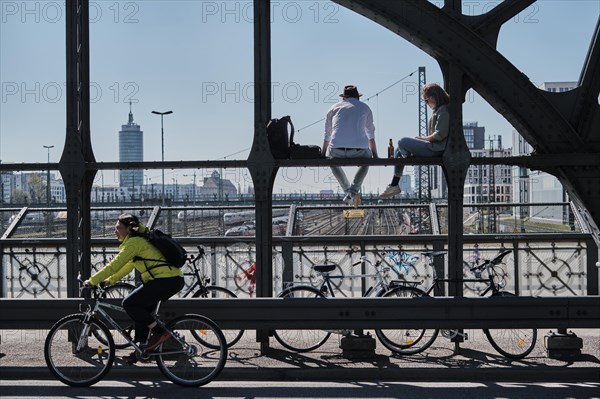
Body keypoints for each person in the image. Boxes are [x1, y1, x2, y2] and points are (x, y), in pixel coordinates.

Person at [84, 214, 184, 364]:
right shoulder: (137, 241)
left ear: (128, 229)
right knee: (141, 311)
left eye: (118, 228)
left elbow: (115, 265)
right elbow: (128, 266)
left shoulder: (134, 243)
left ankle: (160, 333)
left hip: (166, 280)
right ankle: (142, 351)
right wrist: (110, 280)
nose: (115, 231)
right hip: (167, 279)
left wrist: (92, 281)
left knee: (129, 303)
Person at [379, 83, 450, 199]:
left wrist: (424, 138)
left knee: (402, 142)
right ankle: (394, 184)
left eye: (426, 100)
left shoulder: (443, 111)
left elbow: (440, 134)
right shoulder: (439, 110)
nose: (426, 104)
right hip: (434, 147)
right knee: (398, 149)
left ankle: (407, 157)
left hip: (436, 149)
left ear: (434, 97)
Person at [322, 85, 379, 207]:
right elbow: (371, 135)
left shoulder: (333, 108)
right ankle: (353, 191)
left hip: (336, 150)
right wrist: (375, 156)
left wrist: (322, 155)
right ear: (357, 97)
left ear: (344, 97)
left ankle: (347, 190)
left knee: (330, 161)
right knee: (367, 159)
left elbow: (327, 135)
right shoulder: (365, 108)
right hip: (359, 151)